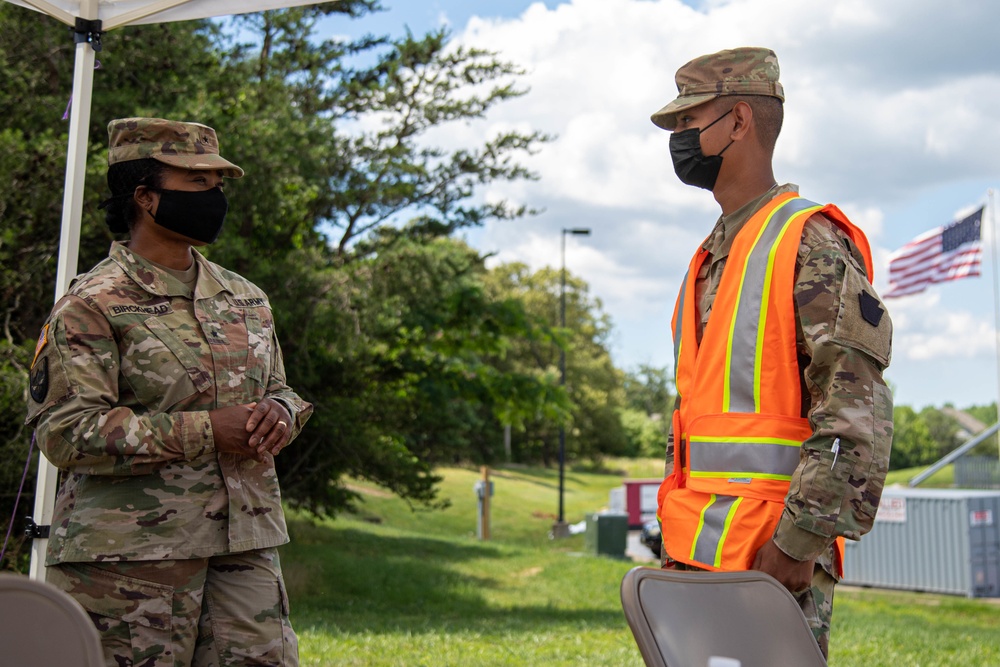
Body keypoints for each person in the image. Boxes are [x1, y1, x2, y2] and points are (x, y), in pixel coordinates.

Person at [26, 117, 313, 666]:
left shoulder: (244, 297)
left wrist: (282, 410)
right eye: (197, 184)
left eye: (219, 185)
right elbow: (66, 432)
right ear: (146, 197)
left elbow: (279, 388)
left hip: (244, 545)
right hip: (130, 562)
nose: (215, 198)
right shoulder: (93, 303)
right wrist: (210, 430)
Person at [650, 47, 893, 657]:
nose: (678, 138)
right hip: (694, 558)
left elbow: (853, 413)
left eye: (688, 121)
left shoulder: (807, 239)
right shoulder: (707, 258)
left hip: (772, 564)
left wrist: (797, 545)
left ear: (738, 121)